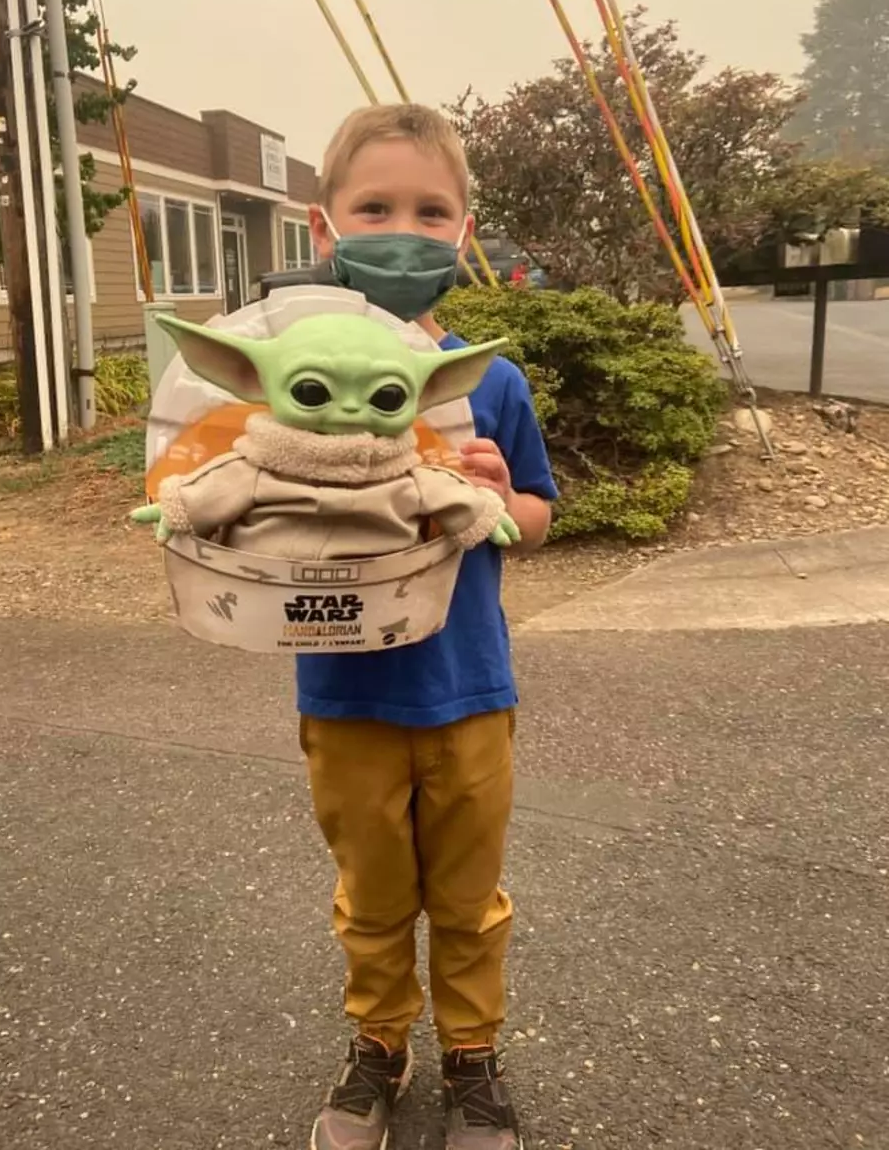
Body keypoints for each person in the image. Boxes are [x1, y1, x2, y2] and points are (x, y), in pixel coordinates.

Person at [299, 104, 558, 1150]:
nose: (400, 229)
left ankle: (470, 1054)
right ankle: (377, 1043)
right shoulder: (293, 381)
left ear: (463, 232)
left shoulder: (489, 381)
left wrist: (499, 497)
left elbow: (538, 515)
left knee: (466, 893)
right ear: (323, 229)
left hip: (468, 690)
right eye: (373, 207)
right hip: (344, 688)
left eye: (428, 209)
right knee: (370, 893)